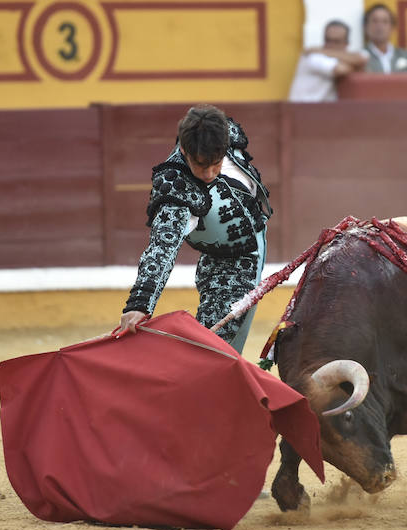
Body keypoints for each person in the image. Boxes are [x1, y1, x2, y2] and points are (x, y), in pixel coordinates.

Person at [117, 105, 271, 354]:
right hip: (226, 263)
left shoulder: (224, 133)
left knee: (217, 347)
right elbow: (162, 247)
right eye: (201, 165)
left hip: (242, 245)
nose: (209, 173)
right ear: (183, 150)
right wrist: (140, 303)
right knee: (216, 350)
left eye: (216, 163)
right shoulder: (176, 186)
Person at [288, 20, 368, 102]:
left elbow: (363, 58)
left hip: (319, 111)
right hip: (300, 111)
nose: (330, 45)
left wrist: (324, 51)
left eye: (336, 41)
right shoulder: (314, 56)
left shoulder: (319, 51)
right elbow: (341, 70)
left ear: (346, 44)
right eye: (328, 40)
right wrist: (356, 64)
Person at [363, 3, 407, 73]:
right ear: (365, 26)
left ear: (393, 28)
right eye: (375, 21)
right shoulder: (360, 57)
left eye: (385, 22)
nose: (379, 26)